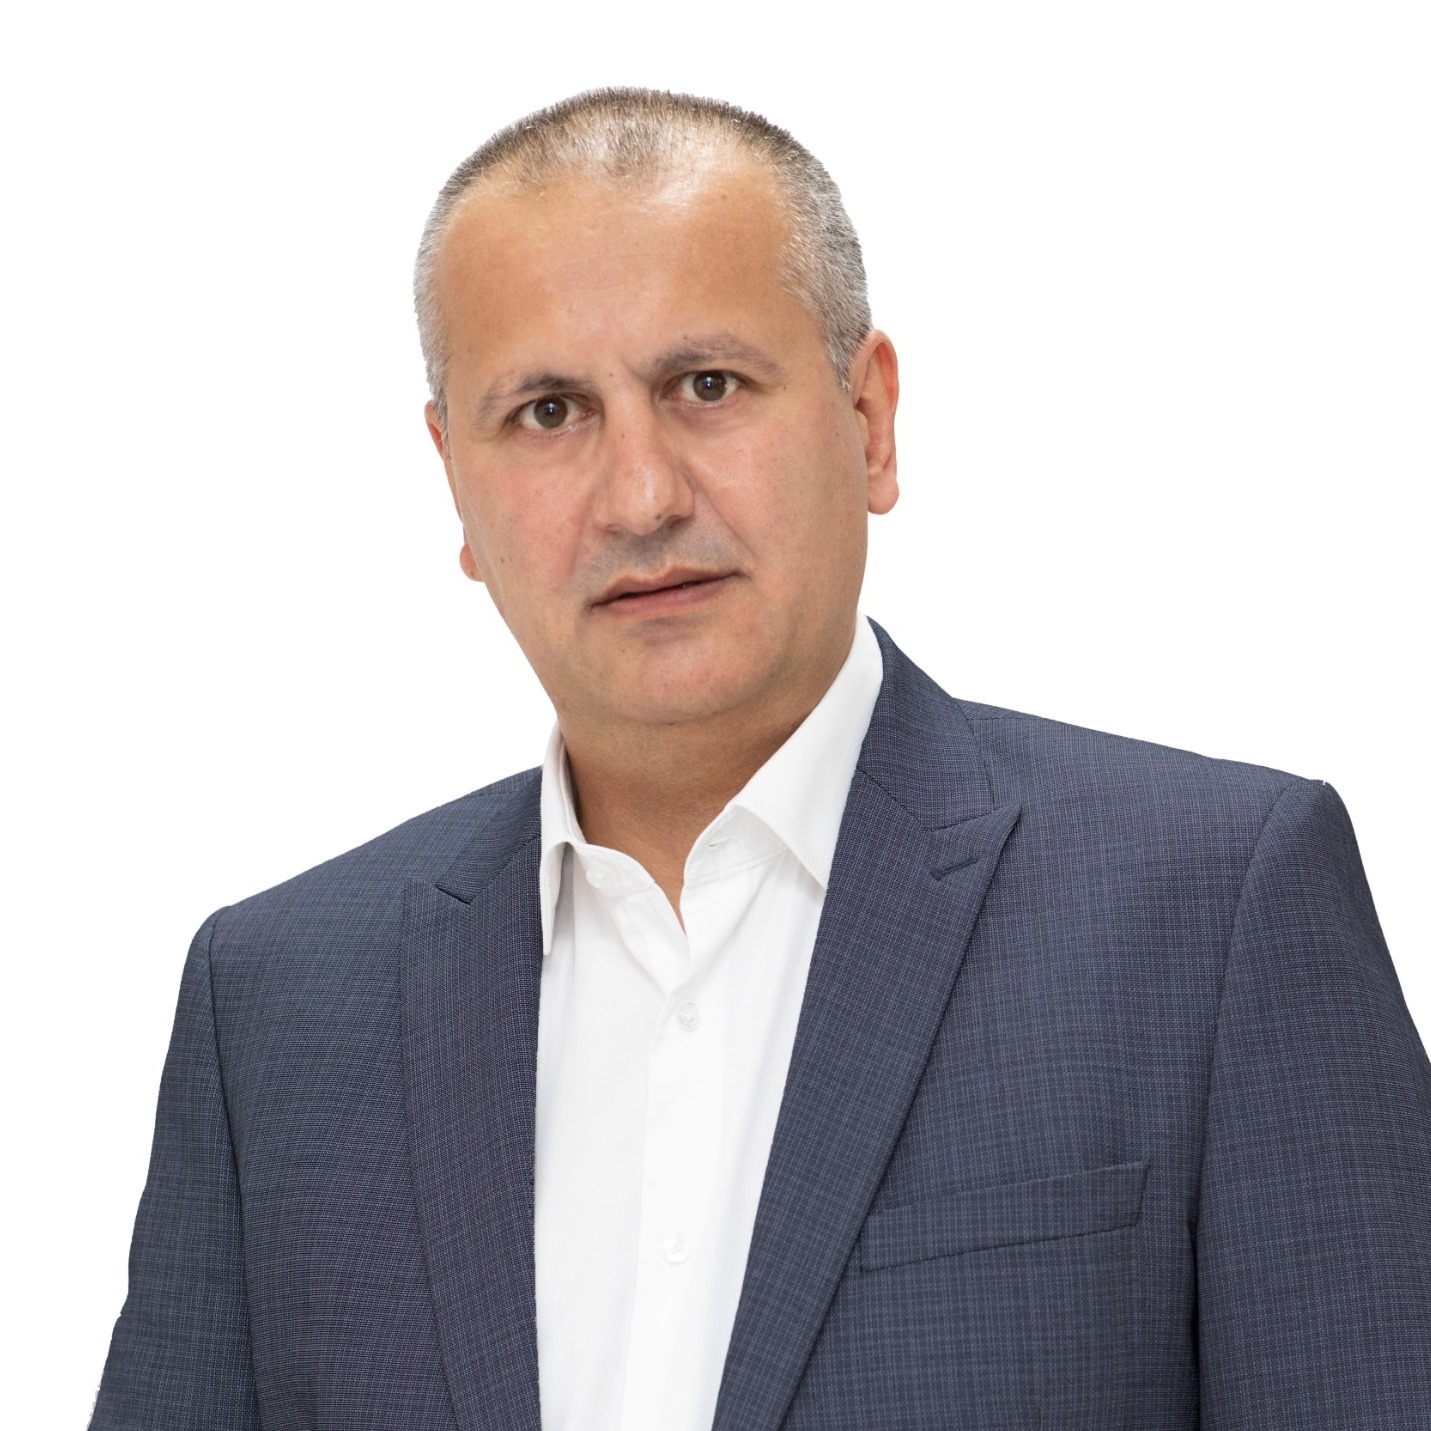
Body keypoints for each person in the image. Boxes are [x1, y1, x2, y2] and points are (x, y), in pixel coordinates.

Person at [92, 88, 1431, 1431]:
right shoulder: (277, 1006)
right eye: (549, 412)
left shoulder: (1215, 910)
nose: (642, 496)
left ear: (871, 419)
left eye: (708, 387)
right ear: (454, 478)